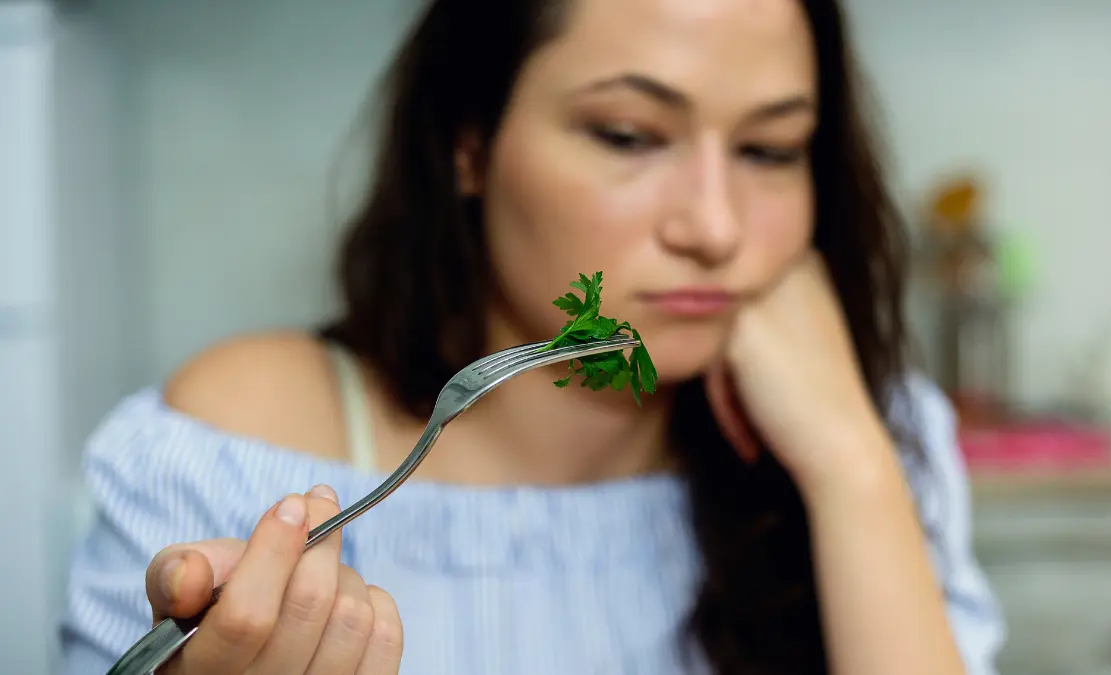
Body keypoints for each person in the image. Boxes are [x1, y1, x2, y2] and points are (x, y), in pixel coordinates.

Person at [60, 0, 1006, 673]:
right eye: (629, 134)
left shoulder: (875, 435)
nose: (715, 228)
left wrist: (849, 465)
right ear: (469, 145)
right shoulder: (232, 448)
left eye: (770, 149)